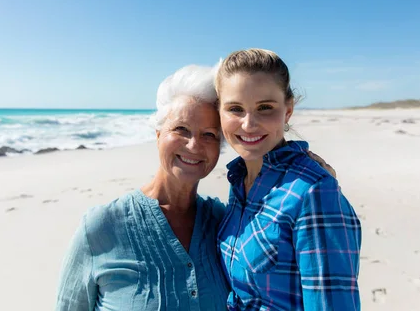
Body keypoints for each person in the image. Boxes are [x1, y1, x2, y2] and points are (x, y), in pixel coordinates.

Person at [55, 65, 230, 310]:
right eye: (181, 129)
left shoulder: (225, 224)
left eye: (209, 134)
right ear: (158, 134)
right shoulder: (100, 227)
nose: (193, 145)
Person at [215, 49, 362, 310]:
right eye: (235, 109)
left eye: (265, 108)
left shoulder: (314, 191)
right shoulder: (240, 180)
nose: (248, 124)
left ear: (288, 111)